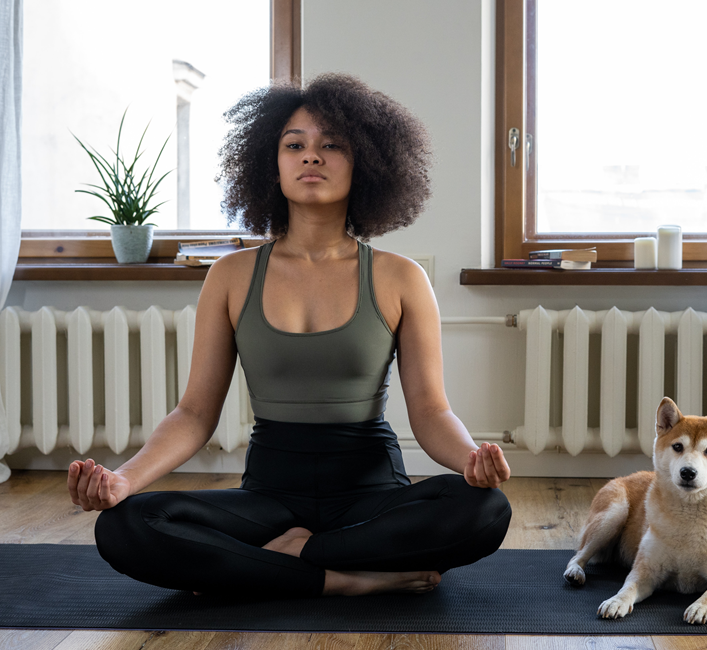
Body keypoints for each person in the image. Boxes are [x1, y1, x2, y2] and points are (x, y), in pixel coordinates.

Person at [66, 73, 512, 598]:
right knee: (126, 524)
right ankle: (340, 579)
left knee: (485, 509)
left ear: (365, 161)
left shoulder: (400, 277)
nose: (311, 157)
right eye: (294, 144)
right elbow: (193, 414)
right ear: (270, 164)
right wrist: (124, 480)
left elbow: (432, 411)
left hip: (370, 494)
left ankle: (285, 561)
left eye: (332, 145)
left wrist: (469, 463)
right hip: (270, 498)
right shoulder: (230, 276)